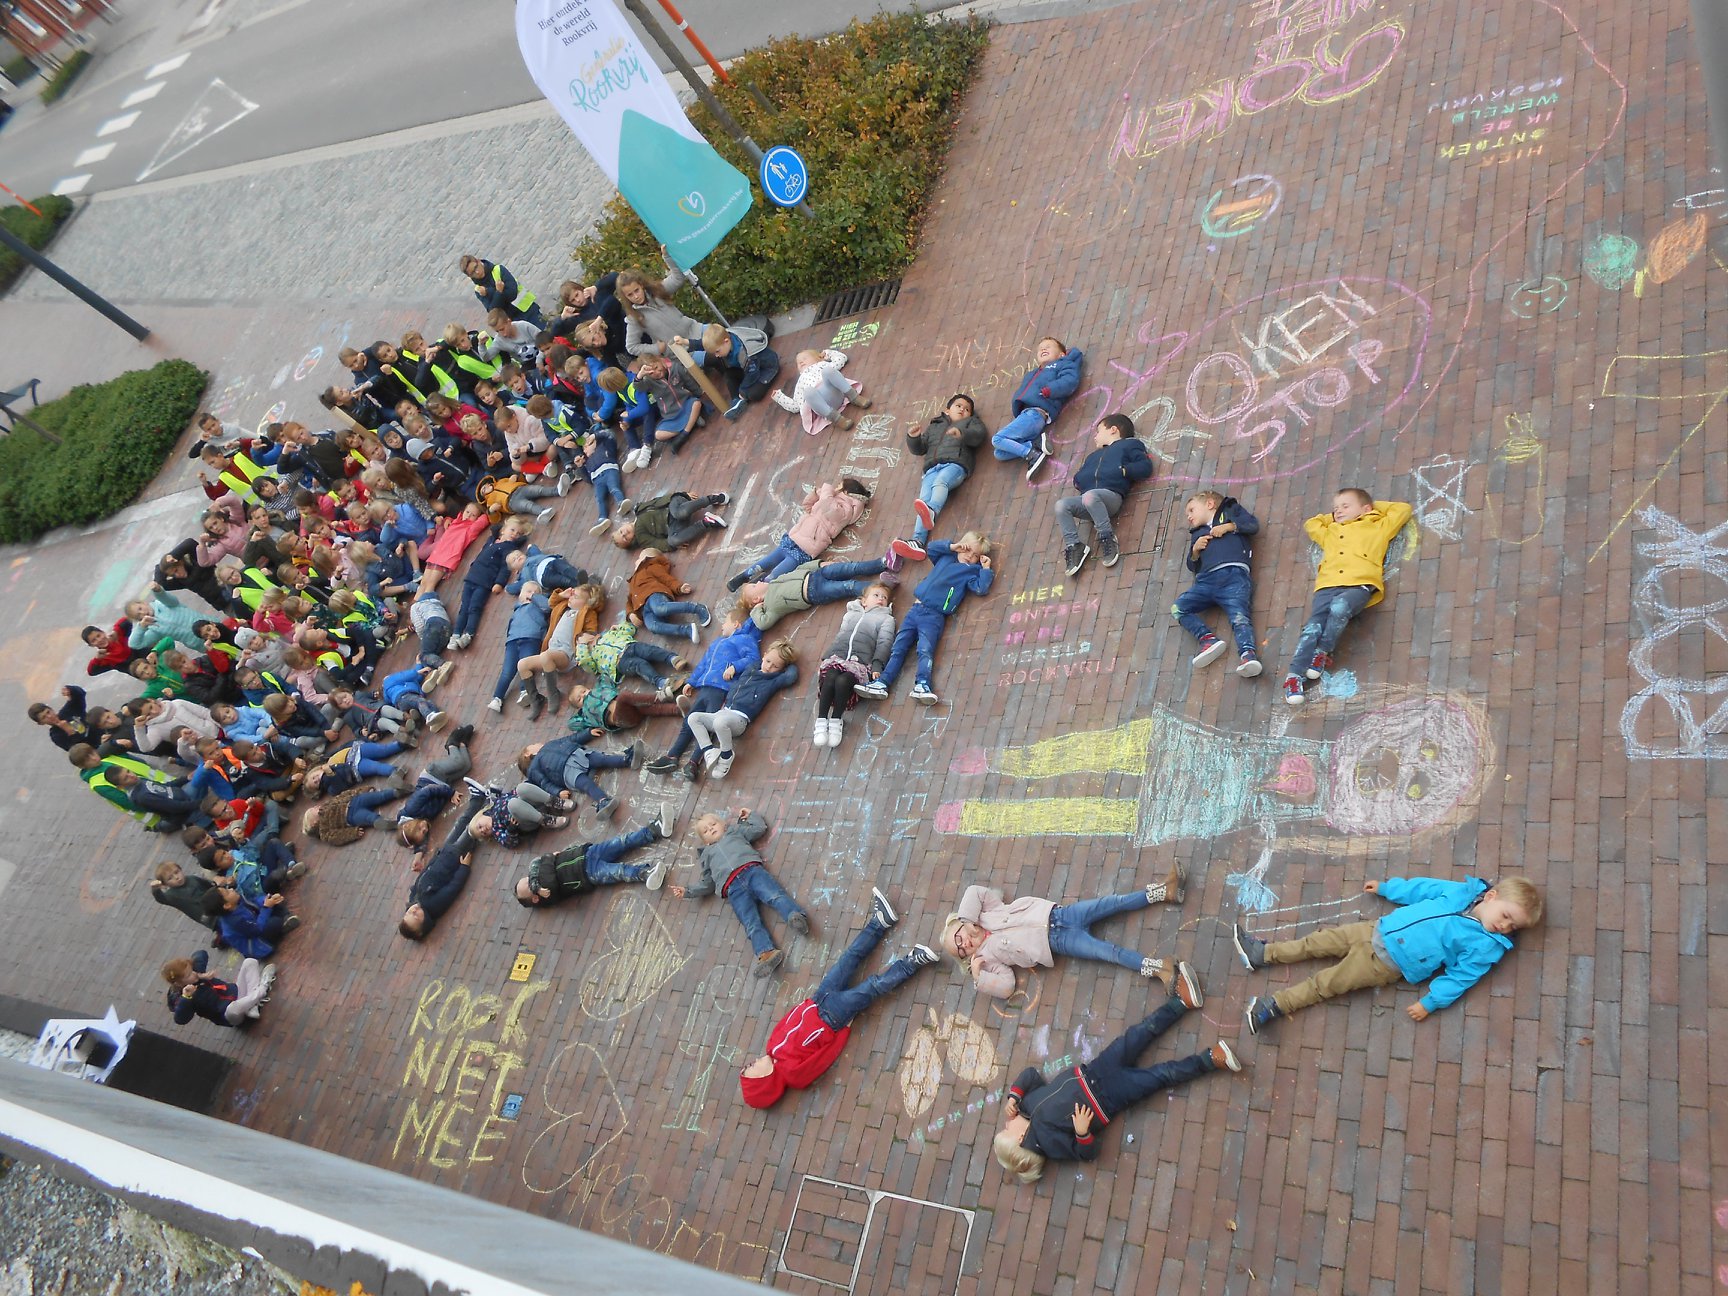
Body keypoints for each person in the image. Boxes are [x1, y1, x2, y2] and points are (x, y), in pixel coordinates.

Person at [993, 977, 1240, 1183]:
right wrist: (1081, 1132)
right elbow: (1086, 1152)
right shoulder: (1047, 1142)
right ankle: (1210, 1059)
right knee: (1160, 1075)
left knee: (1138, 1033)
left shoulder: (1025, 1106)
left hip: (1096, 1070)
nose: (1006, 1123)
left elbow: (1031, 1075)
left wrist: (1015, 1094)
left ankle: (1181, 1002)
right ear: (1018, 1139)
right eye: (1006, 1129)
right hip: (1108, 1097)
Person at [1237, 875, 1542, 1032]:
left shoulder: (1486, 947)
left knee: (1325, 984)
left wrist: (1431, 1002)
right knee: (1316, 942)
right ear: (1491, 896)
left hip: (1386, 963)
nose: (1504, 926)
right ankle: (1262, 954)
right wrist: (1388, 888)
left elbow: (1462, 977)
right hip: (1377, 929)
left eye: (1512, 926)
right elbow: (1424, 888)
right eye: (1505, 916)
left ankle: (1273, 1006)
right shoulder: (1463, 892)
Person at [740, 891, 941, 1108]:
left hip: (818, 1000)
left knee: (849, 957)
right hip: (831, 1017)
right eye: (748, 1071)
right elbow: (823, 1058)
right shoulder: (793, 1075)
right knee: (872, 987)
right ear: (763, 1083)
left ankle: (880, 922)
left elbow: (789, 1019)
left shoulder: (772, 1046)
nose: (748, 1065)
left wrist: (808, 1002)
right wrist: (842, 1031)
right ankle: (911, 962)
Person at [940, 873, 1187, 996]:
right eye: (961, 950)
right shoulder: (987, 960)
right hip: (1058, 942)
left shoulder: (986, 912)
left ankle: (1163, 892)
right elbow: (1006, 987)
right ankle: (1159, 969)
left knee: (1113, 903)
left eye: (959, 937)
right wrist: (978, 977)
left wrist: (969, 920)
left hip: (1060, 916)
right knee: (1109, 953)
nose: (965, 944)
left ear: (961, 923)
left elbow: (974, 891)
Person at [1282, 488, 1414, 704]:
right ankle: (1294, 677)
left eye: (1345, 506)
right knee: (1312, 627)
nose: (1339, 511)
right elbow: (1311, 524)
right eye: (1335, 508)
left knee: (1341, 607)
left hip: (1360, 583)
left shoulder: (1378, 526)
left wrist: (1370, 509)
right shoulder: (1331, 531)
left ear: (1366, 508)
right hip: (1327, 585)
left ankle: (1323, 650)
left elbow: (1403, 509)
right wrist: (1333, 518)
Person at [858, 532, 994, 705]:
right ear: (962, 546)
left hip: (934, 615)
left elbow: (981, 588)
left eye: (976, 555)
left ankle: (922, 684)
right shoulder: (946, 556)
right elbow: (931, 548)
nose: (970, 557)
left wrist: (986, 569)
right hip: (915, 609)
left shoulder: (971, 571)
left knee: (925, 649)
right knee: (898, 648)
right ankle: (882, 683)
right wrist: (952, 546)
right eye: (968, 550)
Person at [671, 807, 809, 975]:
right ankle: (766, 953)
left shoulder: (735, 832)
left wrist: (751, 816)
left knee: (774, 895)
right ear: (705, 842)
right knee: (750, 921)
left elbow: (759, 829)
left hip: (751, 871)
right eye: (706, 831)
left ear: (723, 825)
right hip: (733, 890)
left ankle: (794, 916)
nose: (711, 829)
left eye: (713, 824)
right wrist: (687, 891)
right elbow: (707, 882)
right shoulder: (706, 855)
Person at [642, 610, 761, 779]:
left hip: (722, 689)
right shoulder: (717, 643)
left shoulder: (744, 639)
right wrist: (692, 681)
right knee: (690, 721)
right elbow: (703, 664)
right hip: (705, 687)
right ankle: (672, 755)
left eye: (725, 621)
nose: (722, 625)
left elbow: (753, 658)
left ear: (736, 624)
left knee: (709, 725)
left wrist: (735, 666)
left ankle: (694, 762)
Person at [1173, 489, 1263, 678]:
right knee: (1178, 608)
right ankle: (1207, 639)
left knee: (1239, 617)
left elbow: (1252, 525)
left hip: (1234, 575)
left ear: (1209, 504)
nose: (1189, 516)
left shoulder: (1230, 510)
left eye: (1191, 510)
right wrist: (1195, 551)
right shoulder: (1197, 533)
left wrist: (1229, 527)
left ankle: (1248, 655)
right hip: (1206, 580)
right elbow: (1192, 565)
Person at [726, 479, 872, 591]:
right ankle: (745, 576)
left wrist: (826, 489)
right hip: (794, 537)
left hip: (806, 548)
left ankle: (758, 590)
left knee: (776, 574)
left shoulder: (845, 509)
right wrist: (815, 493)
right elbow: (808, 506)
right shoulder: (829, 500)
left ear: (845, 491)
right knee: (768, 561)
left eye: (839, 485)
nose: (836, 487)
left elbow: (827, 505)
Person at [1055, 413, 1153, 575]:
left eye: (1098, 431)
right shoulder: (1093, 456)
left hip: (1110, 497)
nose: (1095, 437)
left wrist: (1124, 471)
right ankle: (1074, 545)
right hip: (1089, 502)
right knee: (1061, 505)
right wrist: (1078, 480)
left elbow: (1145, 467)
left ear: (1113, 430)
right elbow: (1081, 475)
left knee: (1090, 496)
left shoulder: (1130, 445)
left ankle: (1107, 537)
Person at [685, 640, 799, 779]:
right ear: (764, 656)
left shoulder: (772, 681)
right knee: (693, 718)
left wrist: (790, 663)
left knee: (719, 723)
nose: (769, 667)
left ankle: (726, 756)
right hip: (723, 712)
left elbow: (791, 676)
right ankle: (709, 751)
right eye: (768, 661)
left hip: (739, 719)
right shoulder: (752, 668)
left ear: (781, 669)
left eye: (775, 666)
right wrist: (733, 667)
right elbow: (746, 662)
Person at [513, 808, 675, 905]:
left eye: (528, 880)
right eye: (528, 886)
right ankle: (645, 874)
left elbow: (537, 862)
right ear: (535, 899)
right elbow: (550, 877)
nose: (531, 880)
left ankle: (654, 830)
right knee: (618, 871)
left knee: (621, 842)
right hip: (587, 874)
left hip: (587, 853)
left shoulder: (536, 874)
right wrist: (547, 864)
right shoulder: (547, 895)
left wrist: (541, 873)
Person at [813, 584, 896, 749]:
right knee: (831, 676)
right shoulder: (850, 614)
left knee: (843, 681)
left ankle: (836, 719)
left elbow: (884, 642)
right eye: (876, 595)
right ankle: (821, 720)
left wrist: (877, 665)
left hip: (860, 662)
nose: (880, 599)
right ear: (864, 601)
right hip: (838, 656)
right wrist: (827, 656)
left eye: (884, 597)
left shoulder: (886, 619)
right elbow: (841, 634)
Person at [900, 394, 988, 551]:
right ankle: (918, 542)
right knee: (923, 500)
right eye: (958, 406)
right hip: (931, 468)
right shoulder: (935, 425)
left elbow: (979, 436)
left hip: (955, 464)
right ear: (947, 410)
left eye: (967, 409)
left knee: (941, 482)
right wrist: (913, 438)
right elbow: (920, 448)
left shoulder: (971, 422)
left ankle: (933, 510)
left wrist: (962, 434)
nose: (963, 410)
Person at [991, 336, 1085, 480]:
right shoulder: (1034, 373)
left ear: (1062, 354)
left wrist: (1050, 390)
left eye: (1048, 346)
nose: (1043, 349)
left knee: (998, 439)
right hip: (1027, 415)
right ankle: (1035, 444)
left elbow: (1070, 380)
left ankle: (1032, 453)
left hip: (1035, 413)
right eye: (1040, 348)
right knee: (999, 453)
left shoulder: (1063, 364)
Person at [516, 731, 640, 821]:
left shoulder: (550, 744)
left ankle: (627, 760)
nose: (537, 743)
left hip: (576, 754)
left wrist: (588, 733)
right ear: (528, 753)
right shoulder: (534, 768)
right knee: (586, 784)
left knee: (601, 758)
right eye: (533, 744)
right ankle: (603, 801)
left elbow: (571, 738)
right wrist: (558, 792)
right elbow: (545, 783)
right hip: (565, 772)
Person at [399, 819, 480, 940]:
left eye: (409, 913)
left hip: (443, 853)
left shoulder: (414, 900)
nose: (413, 910)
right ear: (424, 922)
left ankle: (479, 801)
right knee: (471, 828)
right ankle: (488, 806)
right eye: (416, 916)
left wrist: (435, 856)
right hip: (454, 858)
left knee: (461, 822)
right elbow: (452, 888)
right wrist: (463, 868)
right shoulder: (433, 906)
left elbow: (422, 878)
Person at [163, 952, 276, 1028]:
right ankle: (263, 988)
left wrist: (200, 974)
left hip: (236, 992)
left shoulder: (196, 974)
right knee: (233, 1008)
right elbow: (180, 1019)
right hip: (230, 1014)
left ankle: (252, 1005)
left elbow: (201, 953)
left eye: (191, 970)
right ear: (179, 983)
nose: (193, 974)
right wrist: (186, 997)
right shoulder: (184, 996)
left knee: (250, 962)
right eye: (188, 975)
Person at [770, 348, 870, 435]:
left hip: (836, 394)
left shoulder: (822, 365)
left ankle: (854, 397)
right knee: (808, 392)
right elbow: (796, 406)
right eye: (798, 363)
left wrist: (828, 353)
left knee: (828, 371)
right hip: (823, 407)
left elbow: (841, 359)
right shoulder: (800, 382)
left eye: (805, 358)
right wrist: (779, 397)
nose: (801, 362)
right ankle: (838, 419)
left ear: (818, 358)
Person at [701, 321, 781, 419]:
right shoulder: (725, 337)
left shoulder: (744, 352)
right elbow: (705, 344)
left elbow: (753, 374)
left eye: (717, 351)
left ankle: (742, 397)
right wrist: (687, 342)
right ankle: (736, 401)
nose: (716, 355)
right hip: (748, 367)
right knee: (728, 375)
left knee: (754, 394)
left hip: (765, 368)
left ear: (726, 341)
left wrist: (742, 390)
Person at [627, 549, 710, 643]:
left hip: (653, 595)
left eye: (640, 558)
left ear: (648, 559)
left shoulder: (650, 567)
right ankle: (687, 630)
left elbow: (666, 579)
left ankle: (697, 608)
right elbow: (629, 600)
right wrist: (631, 614)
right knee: (652, 626)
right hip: (643, 609)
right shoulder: (632, 582)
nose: (636, 561)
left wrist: (679, 587)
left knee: (659, 608)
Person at [610, 489, 730, 552]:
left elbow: (658, 500)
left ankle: (712, 499)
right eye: (625, 538)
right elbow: (659, 544)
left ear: (622, 526)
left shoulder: (639, 509)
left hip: (674, 506)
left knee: (679, 513)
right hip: (673, 524)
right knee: (673, 540)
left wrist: (684, 494)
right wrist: (675, 544)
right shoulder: (642, 538)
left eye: (621, 532)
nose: (625, 533)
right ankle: (707, 522)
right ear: (631, 542)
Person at [461, 255, 543, 328]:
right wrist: (498, 291)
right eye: (473, 272)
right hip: (513, 322)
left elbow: (512, 293)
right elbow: (493, 311)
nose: (477, 272)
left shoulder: (498, 270)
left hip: (529, 310)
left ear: (478, 261)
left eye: (476, 267)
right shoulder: (478, 290)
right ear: (469, 276)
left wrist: (490, 293)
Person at [150, 861, 219, 934]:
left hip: (217, 905)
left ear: (181, 869)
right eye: (170, 878)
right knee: (221, 927)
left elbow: (209, 886)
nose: (176, 877)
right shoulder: (171, 895)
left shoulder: (192, 879)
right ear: (164, 884)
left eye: (176, 872)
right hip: (208, 918)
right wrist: (155, 889)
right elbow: (160, 898)